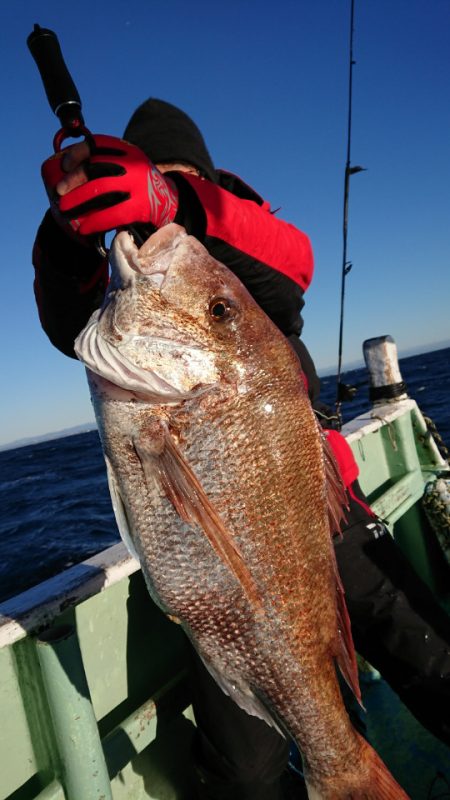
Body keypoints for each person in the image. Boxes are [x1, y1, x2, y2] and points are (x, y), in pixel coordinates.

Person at [33, 99, 450, 799]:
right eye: (147, 177)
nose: (156, 206)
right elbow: (67, 318)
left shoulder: (234, 234)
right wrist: (67, 232)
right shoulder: (129, 283)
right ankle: (336, 767)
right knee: (244, 771)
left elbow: (293, 265)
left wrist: (178, 200)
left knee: (426, 649)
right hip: (226, 574)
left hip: (329, 516)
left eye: (173, 175)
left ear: (201, 175)